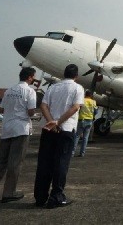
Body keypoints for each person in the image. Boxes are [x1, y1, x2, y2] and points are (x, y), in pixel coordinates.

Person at [0, 67, 37, 203]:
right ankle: (9, 192)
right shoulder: (30, 91)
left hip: (7, 129)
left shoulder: (9, 91)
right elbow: (31, 112)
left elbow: (1, 109)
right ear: (30, 77)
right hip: (21, 129)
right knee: (15, 162)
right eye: (33, 77)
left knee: (0, 161)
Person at [34, 64, 84, 208]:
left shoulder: (53, 87)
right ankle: (56, 197)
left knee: (44, 163)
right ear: (76, 76)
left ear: (63, 74)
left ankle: (40, 197)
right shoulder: (77, 88)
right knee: (61, 163)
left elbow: (43, 106)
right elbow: (75, 107)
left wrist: (51, 122)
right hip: (66, 129)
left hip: (48, 130)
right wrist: (58, 122)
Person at [73, 90, 97, 157]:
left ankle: (72, 152)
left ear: (85, 94)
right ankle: (82, 153)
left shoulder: (82, 101)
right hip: (89, 121)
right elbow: (96, 112)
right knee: (85, 138)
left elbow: (77, 109)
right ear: (91, 95)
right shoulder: (93, 102)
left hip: (81, 120)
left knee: (77, 136)